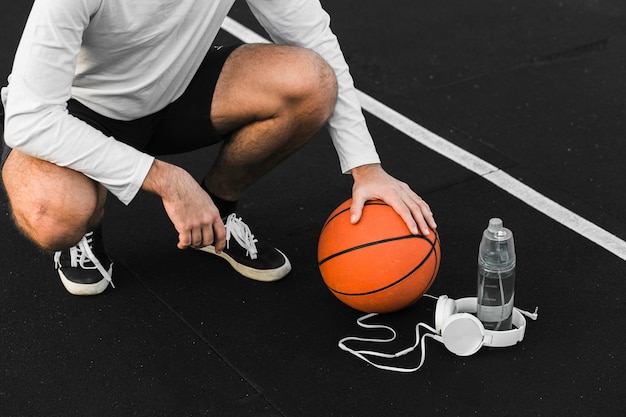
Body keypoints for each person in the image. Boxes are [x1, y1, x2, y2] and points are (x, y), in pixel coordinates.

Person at [1, 0, 437, 296]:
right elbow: (28, 117)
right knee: (54, 215)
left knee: (312, 81)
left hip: (175, 95)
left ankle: (218, 209)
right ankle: (87, 229)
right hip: (83, 113)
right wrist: (166, 178)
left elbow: (314, 37)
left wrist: (366, 166)